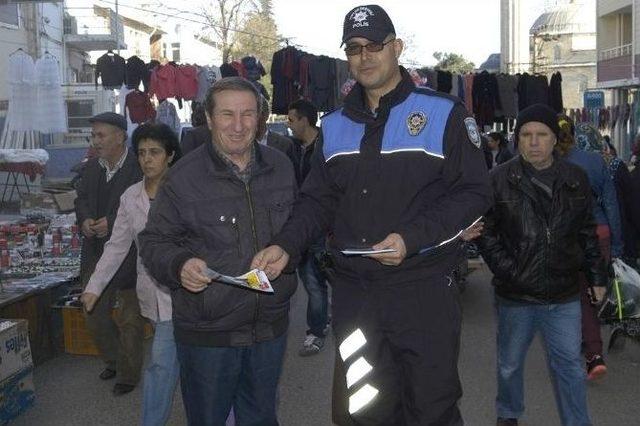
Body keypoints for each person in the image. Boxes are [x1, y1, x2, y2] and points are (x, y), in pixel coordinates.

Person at [252, 5, 492, 424]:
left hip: (424, 291)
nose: (364, 56)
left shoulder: (445, 113)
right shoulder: (336, 124)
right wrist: (285, 245)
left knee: (431, 407)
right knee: (362, 409)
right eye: (354, 48)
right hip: (356, 295)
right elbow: (316, 201)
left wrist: (410, 238)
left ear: (396, 48)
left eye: (375, 46)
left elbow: (474, 192)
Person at [138, 77, 297, 426]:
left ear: (260, 118)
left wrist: (287, 249)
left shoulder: (282, 167)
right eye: (227, 115)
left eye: (248, 114)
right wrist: (179, 264)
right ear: (209, 119)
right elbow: (152, 242)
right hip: (208, 335)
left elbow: (297, 231)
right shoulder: (182, 177)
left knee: (261, 418)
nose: (238, 126)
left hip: (269, 327)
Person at [478, 104, 607, 426]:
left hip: (563, 294)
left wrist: (597, 276)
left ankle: (577, 422)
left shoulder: (575, 178)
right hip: (515, 295)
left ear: (554, 140)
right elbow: (486, 233)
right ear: (517, 138)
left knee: (569, 366)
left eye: (541, 135)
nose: (533, 142)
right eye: (526, 135)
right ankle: (508, 414)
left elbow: (587, 231)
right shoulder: (498, 179)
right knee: (509, 364)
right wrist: (508, 269)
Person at [80, 123, 182, 424]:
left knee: (163, 363)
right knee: (174, 360)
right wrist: (94, 287)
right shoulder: (130, 197)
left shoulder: (186, 191)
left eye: (155, 152)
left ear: (170, 156)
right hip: (152, 290)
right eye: (141, 153)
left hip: (188, 291)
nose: (147, 159)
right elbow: (117, 246)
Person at [74, 112, 144, 395]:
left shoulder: (140, 167)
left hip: (130, 254)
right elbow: (82, 200)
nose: (95, 141)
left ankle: (127, 375)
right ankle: (114, 359)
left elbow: (143, 203)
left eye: (101, 135)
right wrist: (85, 220)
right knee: (92, 312)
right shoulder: (91, 167)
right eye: (93, 136)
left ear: (120, 137)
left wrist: (112, 222)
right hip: (95, 251)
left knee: (130, 318)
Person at [565, 121, 623, 379]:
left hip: (570, 235)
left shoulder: (553, 160)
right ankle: (590, 342)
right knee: (594, 289)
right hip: (600, 232)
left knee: (577, 292)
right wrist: (618, 244)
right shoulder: (597, 161)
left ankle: (591, 348)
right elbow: (611, 204)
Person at [287, 99, 331, 356]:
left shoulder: (325, 148)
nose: (289, 125)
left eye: (292, 120)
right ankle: (322, 317)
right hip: (301, 224)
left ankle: (315, 332)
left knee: (315, 282)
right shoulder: (293, 149)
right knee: (312, 280)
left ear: (305, 120)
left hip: (320, 226)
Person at [257, 95, 299, 168]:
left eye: (254, 113)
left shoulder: (284, 144)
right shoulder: (239, 144)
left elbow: (293, 174)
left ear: (265, 115)